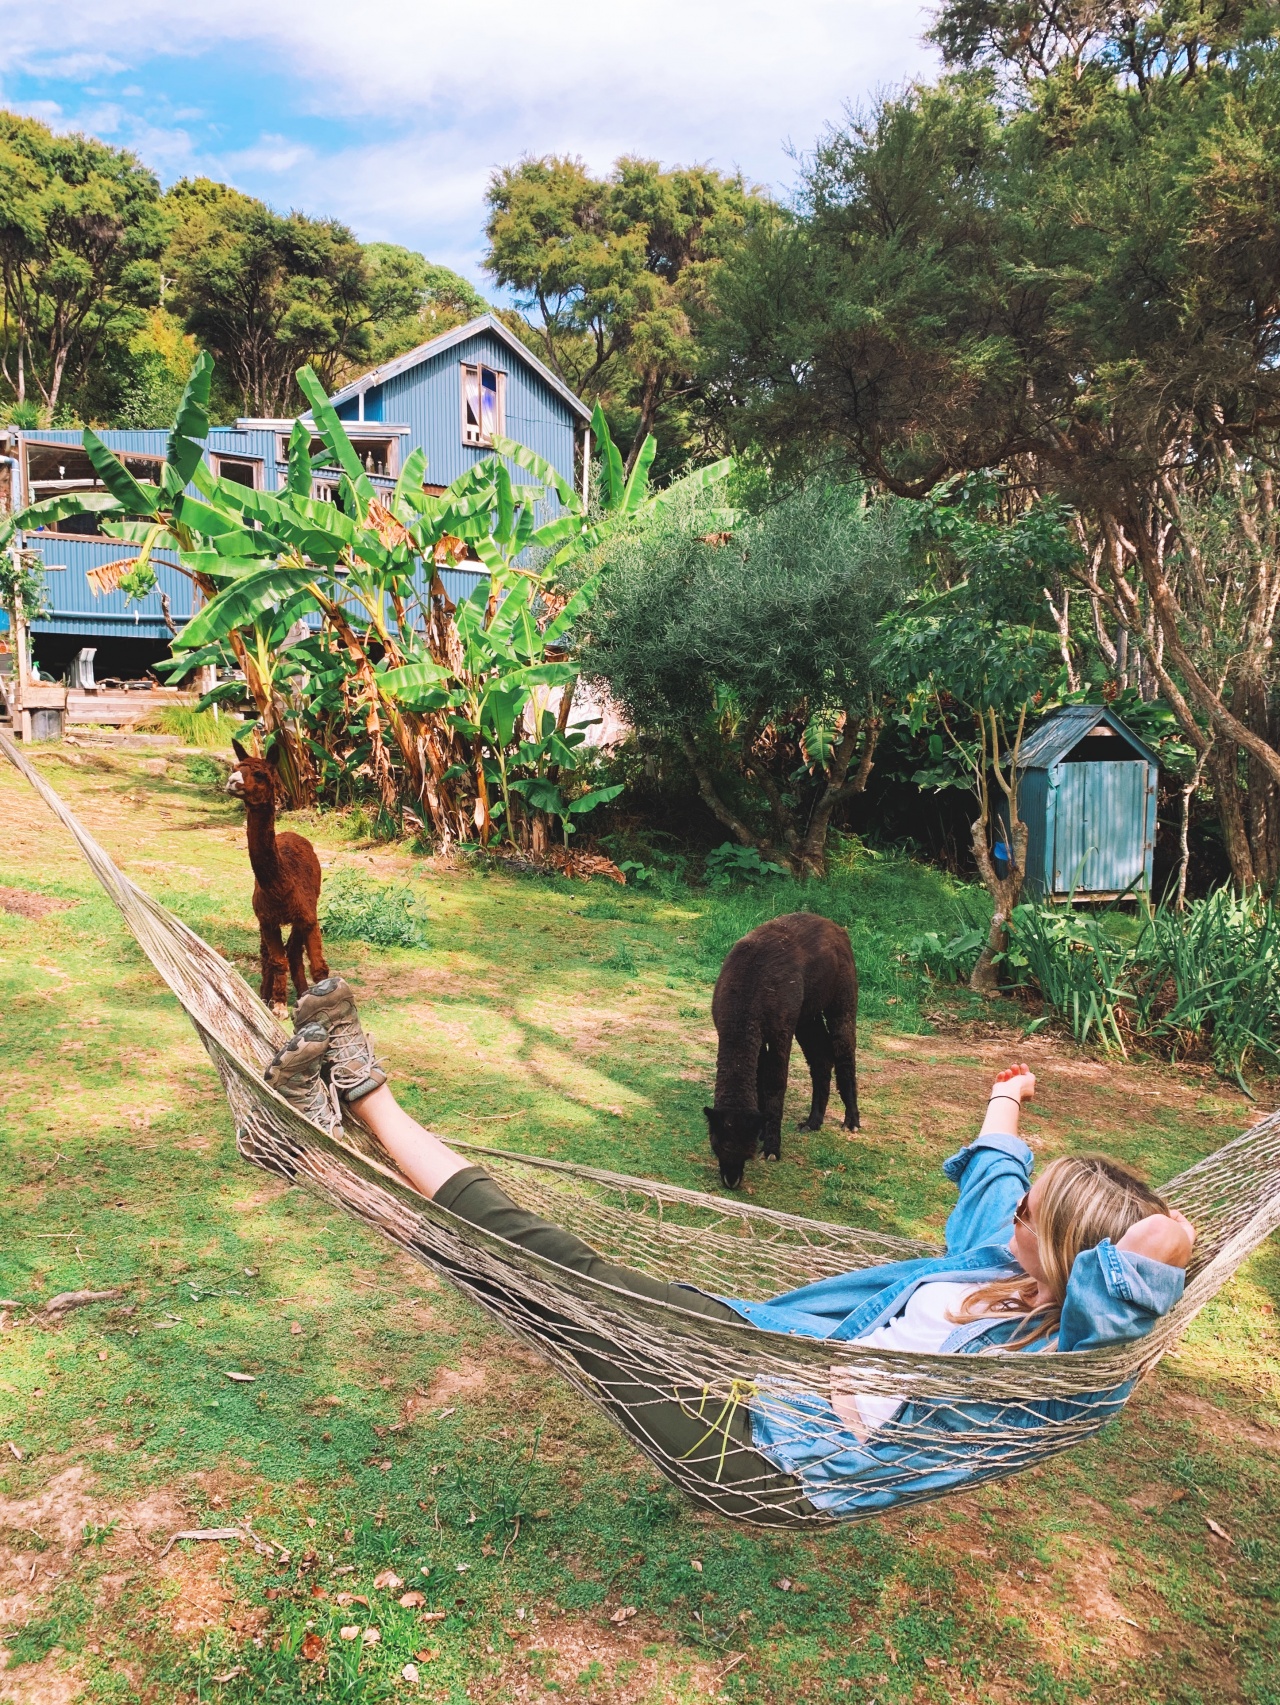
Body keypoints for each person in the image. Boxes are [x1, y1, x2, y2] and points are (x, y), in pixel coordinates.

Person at [263, 980, 1196, 1523]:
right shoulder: (1003, 1264)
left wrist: (1166, 1241)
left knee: (542, 1296)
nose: (1015, 1216)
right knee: (564, 1269)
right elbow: (997, 1180)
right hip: (757, 1349)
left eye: (1039, 1218)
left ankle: (318, 1140)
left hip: (769, 1463)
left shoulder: (1074, 1369)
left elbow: (1160, 1246)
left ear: (1085, 1264)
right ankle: (363, 1099)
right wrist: (1009, 1100)